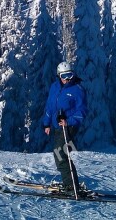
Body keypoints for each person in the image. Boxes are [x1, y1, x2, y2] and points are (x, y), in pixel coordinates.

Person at [41, 61, 87, 194]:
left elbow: (82, 111)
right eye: (65, 76)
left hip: (69, 127)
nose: (68, 79)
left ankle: (72, 186)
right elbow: (50, 107)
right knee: (61, 154)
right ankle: (70, 183)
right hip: (56, 126)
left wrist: (69, 121)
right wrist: (46, 123)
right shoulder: (54, 87)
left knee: (60, 154)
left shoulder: (77, 90)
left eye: (70, 75)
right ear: (59, 76)